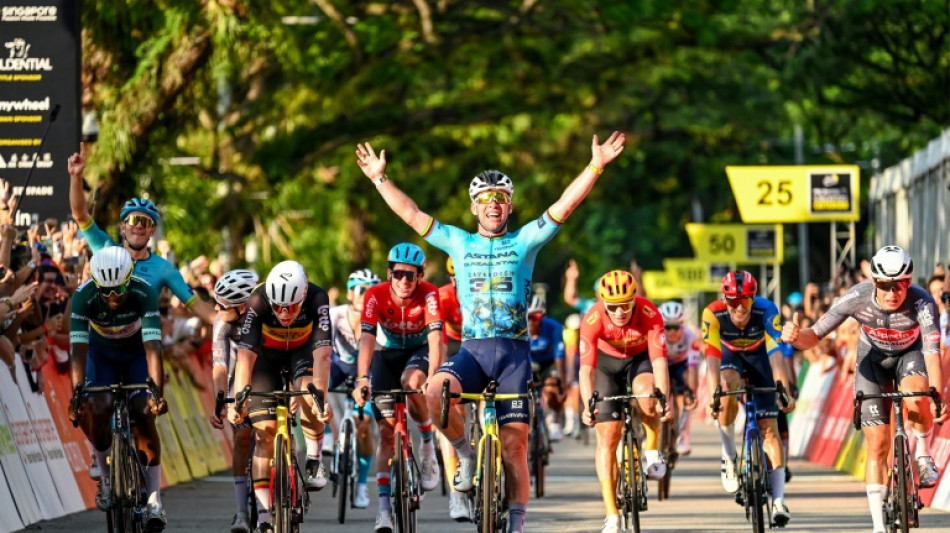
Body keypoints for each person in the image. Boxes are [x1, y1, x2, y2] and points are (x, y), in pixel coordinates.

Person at [356, 130, 626, 533]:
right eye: (485, 200)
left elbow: (564, 206)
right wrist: (380, 179)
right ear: (473, 207)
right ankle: (464, 454)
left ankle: (516, 525)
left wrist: (596, 166)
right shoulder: (458, 242)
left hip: (515, 354)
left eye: (500, 199)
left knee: (515, 447)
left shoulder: (525, 241)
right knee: (434, 392)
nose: (493, 206)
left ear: (510, 206)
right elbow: (412, 215)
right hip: (473, 351)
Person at [782, 246, 946, 533]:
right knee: (878, 444)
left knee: (920, 396)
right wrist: (796, 338)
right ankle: (878, 526)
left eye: (902, 284)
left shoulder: (922, 302)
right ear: (874, 282)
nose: (893, 292)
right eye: (885, 285)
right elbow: (816, 335)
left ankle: (922, 452)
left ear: (910, 282)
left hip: (911, 355)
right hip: (872, 360)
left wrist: (937, 395)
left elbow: (933, 353)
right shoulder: (857, 296)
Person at [227, 260, 333, 533]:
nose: (284, 313)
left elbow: (322, 355)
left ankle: (313, 457)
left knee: (311, 394)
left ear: (304, 292)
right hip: (267, 357)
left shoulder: (317, 297)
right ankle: (263, 513)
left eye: (292, 307)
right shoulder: (258, 299)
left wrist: (321, 399)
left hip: (302, 352)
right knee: (264, 433)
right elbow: (245, 357)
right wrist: (239, 400)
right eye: (279, 307)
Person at [68, 247, 168, 530]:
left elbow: (153, 347)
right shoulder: (83, 296)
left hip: (137, 353)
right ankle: (106, 477)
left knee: (144, 415)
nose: (113, 297)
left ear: (130, 278)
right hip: (101, 355)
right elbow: (77, 350)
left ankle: (154, 501)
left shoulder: (144, 292)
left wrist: (157, 393)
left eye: (120, 289)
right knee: (96, 408)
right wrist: (77, 394)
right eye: (106, 291)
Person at [67, 143, 216, 325]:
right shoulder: (106, 248)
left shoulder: (164, 268)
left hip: (141, 348)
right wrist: (76, 177)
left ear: (152, 231)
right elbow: (80, 215)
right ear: (123, 227)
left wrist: (233, 330)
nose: (138, 226)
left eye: (144, 222)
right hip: (102, 345)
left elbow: (196, 305)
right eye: (132, 221)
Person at [351, 243, 445, 533]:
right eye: (398, 274)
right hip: (387, 355)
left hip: (419, 352)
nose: (405, 281)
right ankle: (383, 511)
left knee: (412, 383)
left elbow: (436, 340)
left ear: (420, 276)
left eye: (411, 275)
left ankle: (428, 444)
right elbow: (367, 340)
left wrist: (434, 377)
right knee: (387, 433)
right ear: (389, 274)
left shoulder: (429, 294)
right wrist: (362, 378)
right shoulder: (374, 295)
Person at [579, 270, 670, 533]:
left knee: (647, 394)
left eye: (626, 306)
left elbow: (659, 361)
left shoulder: (649, 313)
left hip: (639, 359)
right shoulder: (593, 318)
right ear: (604, 304)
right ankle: (612, 515)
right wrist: (587, 404)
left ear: (635, 300)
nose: (620, 312)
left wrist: (664, 398)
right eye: (613, 307)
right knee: (608, 436)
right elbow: (585, 370)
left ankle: (651, 448)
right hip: (606, 366)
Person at [704, 270, 795, 526]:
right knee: (726, 387)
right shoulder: (713, 313)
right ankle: (729, 457)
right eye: (732, 301)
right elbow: (711, 357)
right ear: (724, 299)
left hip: (761, 359)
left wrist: (782, 389)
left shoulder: (766, 310)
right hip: (729, 357)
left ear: (753, 298)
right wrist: (715, 394)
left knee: (770, 429)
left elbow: (777, 353)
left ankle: (778, 501)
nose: (739, 307)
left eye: (744, 300)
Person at [209, 269, 259, 533]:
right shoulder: (223, 321)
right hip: (239, 374)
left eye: (222, 304)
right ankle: (241, 512)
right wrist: (221, 402)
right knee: (242, 437)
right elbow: (220, 365)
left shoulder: (264, 317)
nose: (216, 307)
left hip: (267, 371)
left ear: (242, 306)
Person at [328, 268, 382, 510]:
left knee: (364, 427)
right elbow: (319, 351)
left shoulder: (379, 320)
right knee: (311, 388)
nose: (365, 295)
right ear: (350, 294)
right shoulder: (334, 315)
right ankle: (326, 440)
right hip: (338, 367)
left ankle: (361, 485)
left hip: (366, 373)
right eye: (360, 290)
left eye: (370, 291)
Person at [437, 256, 472, 521]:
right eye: (453, 277)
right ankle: (456, 495)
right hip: (450, 345)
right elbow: (435, 340)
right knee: (451, 410)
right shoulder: (443, 297)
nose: (459, 282)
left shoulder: (488, 290)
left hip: (479, 344)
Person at [656, 301, 699, 455]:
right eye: (667, 327)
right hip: (662, 365)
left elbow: (693, 367)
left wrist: (692, 392)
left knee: (688, 395)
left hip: (682, 366)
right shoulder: (656, 335)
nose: (672, 331)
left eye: (676, 327)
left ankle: (684, 437)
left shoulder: (691, 336)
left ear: (683, 325)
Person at [527, 294, 566, 441]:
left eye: (535, 317)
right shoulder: (519, 329)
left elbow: (559, 357)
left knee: (552, 388)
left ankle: (553, 421)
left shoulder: (554, 326)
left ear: (542, 316)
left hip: (548, 363)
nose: (531, 321)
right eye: (527, 317)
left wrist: (561, 383)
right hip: (528, 363)